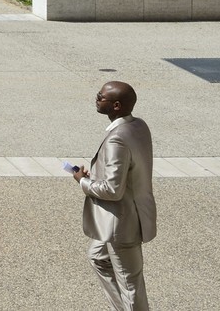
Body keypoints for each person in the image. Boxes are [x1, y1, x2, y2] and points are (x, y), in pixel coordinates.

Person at [72, 80, 156, 311]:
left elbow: (112, 190)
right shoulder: (139, 126)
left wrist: (84, 181)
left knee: (131, 284)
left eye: (101, 97)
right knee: (98, 257)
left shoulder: (116, 139)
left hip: (122, 223)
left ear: (116, 105)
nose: (96, 98)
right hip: (127, 215)